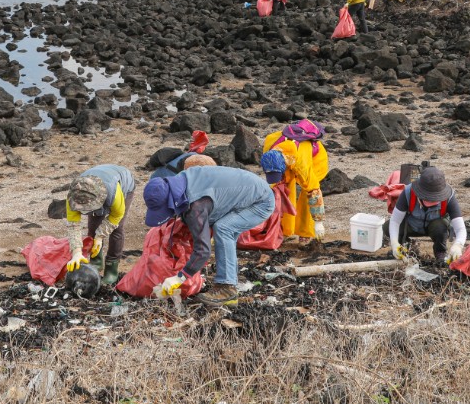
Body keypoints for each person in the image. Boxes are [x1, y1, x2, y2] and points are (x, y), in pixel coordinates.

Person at [143, 164, 274, 305]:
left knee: (224, 229)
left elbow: (203, 252)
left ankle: (227, 289)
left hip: (261, 200)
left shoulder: (196, 205)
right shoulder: (179, 183)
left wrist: (179, 278)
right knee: (222, 230)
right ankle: (228, 281)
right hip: (244, 190)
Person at [64, 164, 136, 285]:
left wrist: (100, 236)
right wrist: (76, 252)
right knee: (93, 228)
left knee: (116, 230)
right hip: (97, 184)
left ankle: (111, 268)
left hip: (123, 184)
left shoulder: (113, 192)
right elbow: (73, 225)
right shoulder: (73, 196)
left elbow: (116, 216)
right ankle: (96, 263)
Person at [262, 120, 329, 242]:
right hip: (289, 161)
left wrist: (318, 222)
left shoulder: (301, 164)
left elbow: (314, 191)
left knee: (306, 193)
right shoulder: (270, 143)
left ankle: (305, 233)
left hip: (315, 161)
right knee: (282, 189)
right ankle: (284, 229)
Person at [389, 166, 467, 264]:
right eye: (428, 198)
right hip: (413, 225)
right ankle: (406, 247)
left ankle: (440, 253)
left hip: (435, 228)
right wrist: (394, 243)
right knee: (386, 227)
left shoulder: (449, 197)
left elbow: (460, 228)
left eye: (435, 198)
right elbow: (395, 221)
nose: (432, 200)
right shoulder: (408, 193)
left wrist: (458, 245)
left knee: (440, 226)